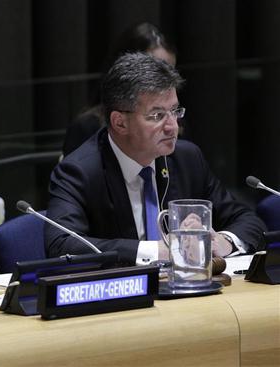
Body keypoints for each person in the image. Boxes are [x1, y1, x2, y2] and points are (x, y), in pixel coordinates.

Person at [45, 52, 266, 265]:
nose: (173, 127)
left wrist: (223, 241)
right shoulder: (79, 171)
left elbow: (247, 219)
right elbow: (60, 245)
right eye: (157, 116)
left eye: (175, 111)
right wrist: (156, 250)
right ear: (120, 122)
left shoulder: (187, 159)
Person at [62, 23, 177, 156]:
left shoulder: (176, 122)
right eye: (152, 73)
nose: (164, 83)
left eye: (170, 72)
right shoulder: (87, 127)